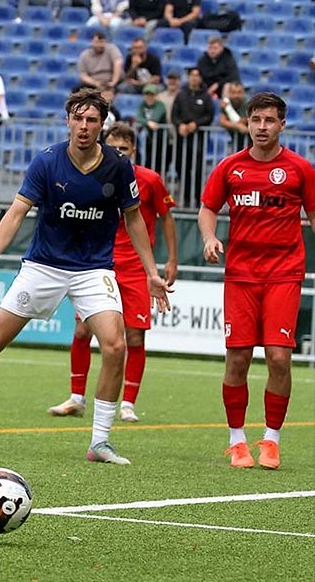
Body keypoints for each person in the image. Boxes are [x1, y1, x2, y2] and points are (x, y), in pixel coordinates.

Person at [0, 88, 171, 466]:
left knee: (115, 346)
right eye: (78, 118)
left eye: (92, 120)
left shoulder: (117, 166)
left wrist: (151, 272)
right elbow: (15, 212)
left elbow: (133, 218)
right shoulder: (46, 162)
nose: (84, 126)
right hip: (43, 266)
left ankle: (100, 442)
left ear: (101, 125)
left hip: (94, 269)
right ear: (67, 120)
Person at [198, 92, 314, 471]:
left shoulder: (299, 169)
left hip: (284, 272)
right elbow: (208, 208)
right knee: (238, 358)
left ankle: (271, 440)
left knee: (280, 357)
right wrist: (209, 237)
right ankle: (237, 442)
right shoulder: (231, 167)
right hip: (241, 275)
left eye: (269, 120)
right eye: (256, 120)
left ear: (282, 124)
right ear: (247, 123)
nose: (262, 127)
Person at [49, 122, 177, 423]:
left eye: (124, 148)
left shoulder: (150, 180)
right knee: (82, 330)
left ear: (133, 151)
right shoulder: (92, 177)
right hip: (98, 264)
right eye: (114, 147)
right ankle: (76, 398)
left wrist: (171, 259)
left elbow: (167, 217)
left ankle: (128, 403)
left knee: (134, 337)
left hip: (134, 268)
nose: (119, 152)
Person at [173, 67, 215, 207]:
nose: (194, 78)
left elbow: (209, 116)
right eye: (192, 75)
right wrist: (180, 125)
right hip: (182, 138)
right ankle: (185, 197)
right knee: (181, 167)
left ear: (201, 78)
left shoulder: (206, 96)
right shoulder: (181, 95)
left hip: (199, 138)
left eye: (197, 75)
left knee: (196, 169)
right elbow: (175, 115)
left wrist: (196, 124)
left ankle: (197, 199)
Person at [136, 83, 168, 170]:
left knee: (159, 165)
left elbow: (155, 118)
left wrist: (145, 122)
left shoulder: (160, 105)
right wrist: (148, 123)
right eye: (147, 94)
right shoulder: (142, 105)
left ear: (156, 95)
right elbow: (138, 118)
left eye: (151, 94)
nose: (149, 97)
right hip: (148, 139)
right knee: (146, 163)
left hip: (161, 140)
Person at [219, 81, 250, 151]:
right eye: (233, 92)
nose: (236, 95)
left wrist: (228, 109)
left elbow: (241, 121)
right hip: (234, 137)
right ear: (229, 93)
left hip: (249, 140)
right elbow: (222, 121)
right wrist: (238, 126)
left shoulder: (248, 103)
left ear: (243, 93)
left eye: (239, 92)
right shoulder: (226, 103)